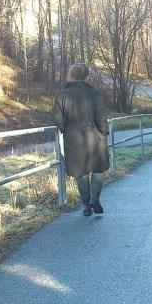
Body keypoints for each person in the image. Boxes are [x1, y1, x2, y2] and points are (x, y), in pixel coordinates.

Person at [53, 63, 110, 216]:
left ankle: (86, 205)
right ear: (86, 76)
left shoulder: (62, 94)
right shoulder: (94, 93)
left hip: (74, 139)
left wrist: (67, 130)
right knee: (98, 170)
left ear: (70, 75)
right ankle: (95, 199)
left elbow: (58, 119)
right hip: (95, 137)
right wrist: (104, 131)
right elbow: (101, 116)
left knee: (81, 173)